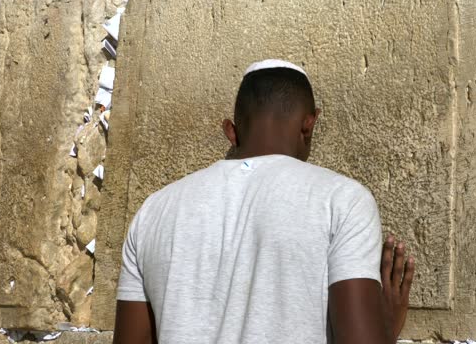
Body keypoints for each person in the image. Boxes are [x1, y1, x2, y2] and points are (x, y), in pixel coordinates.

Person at [112, 59, 415, 343]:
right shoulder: (343, 202)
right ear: (308, 125)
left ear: (231, 131)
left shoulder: (153, 212)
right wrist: (385, 328)